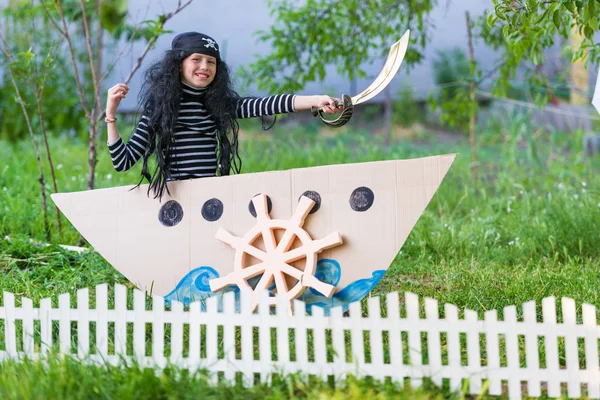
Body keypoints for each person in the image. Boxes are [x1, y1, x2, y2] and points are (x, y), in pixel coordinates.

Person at [105, 31, 342, 199]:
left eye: (211, 61)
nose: (205, 67)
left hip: (212, 196)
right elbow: (122, 162)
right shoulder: (160, 109)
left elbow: (269, 104)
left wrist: (315, 101)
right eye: (196, 59)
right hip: (175, 200)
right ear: (178, 65)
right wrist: (111, 115)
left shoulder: (219, 105)